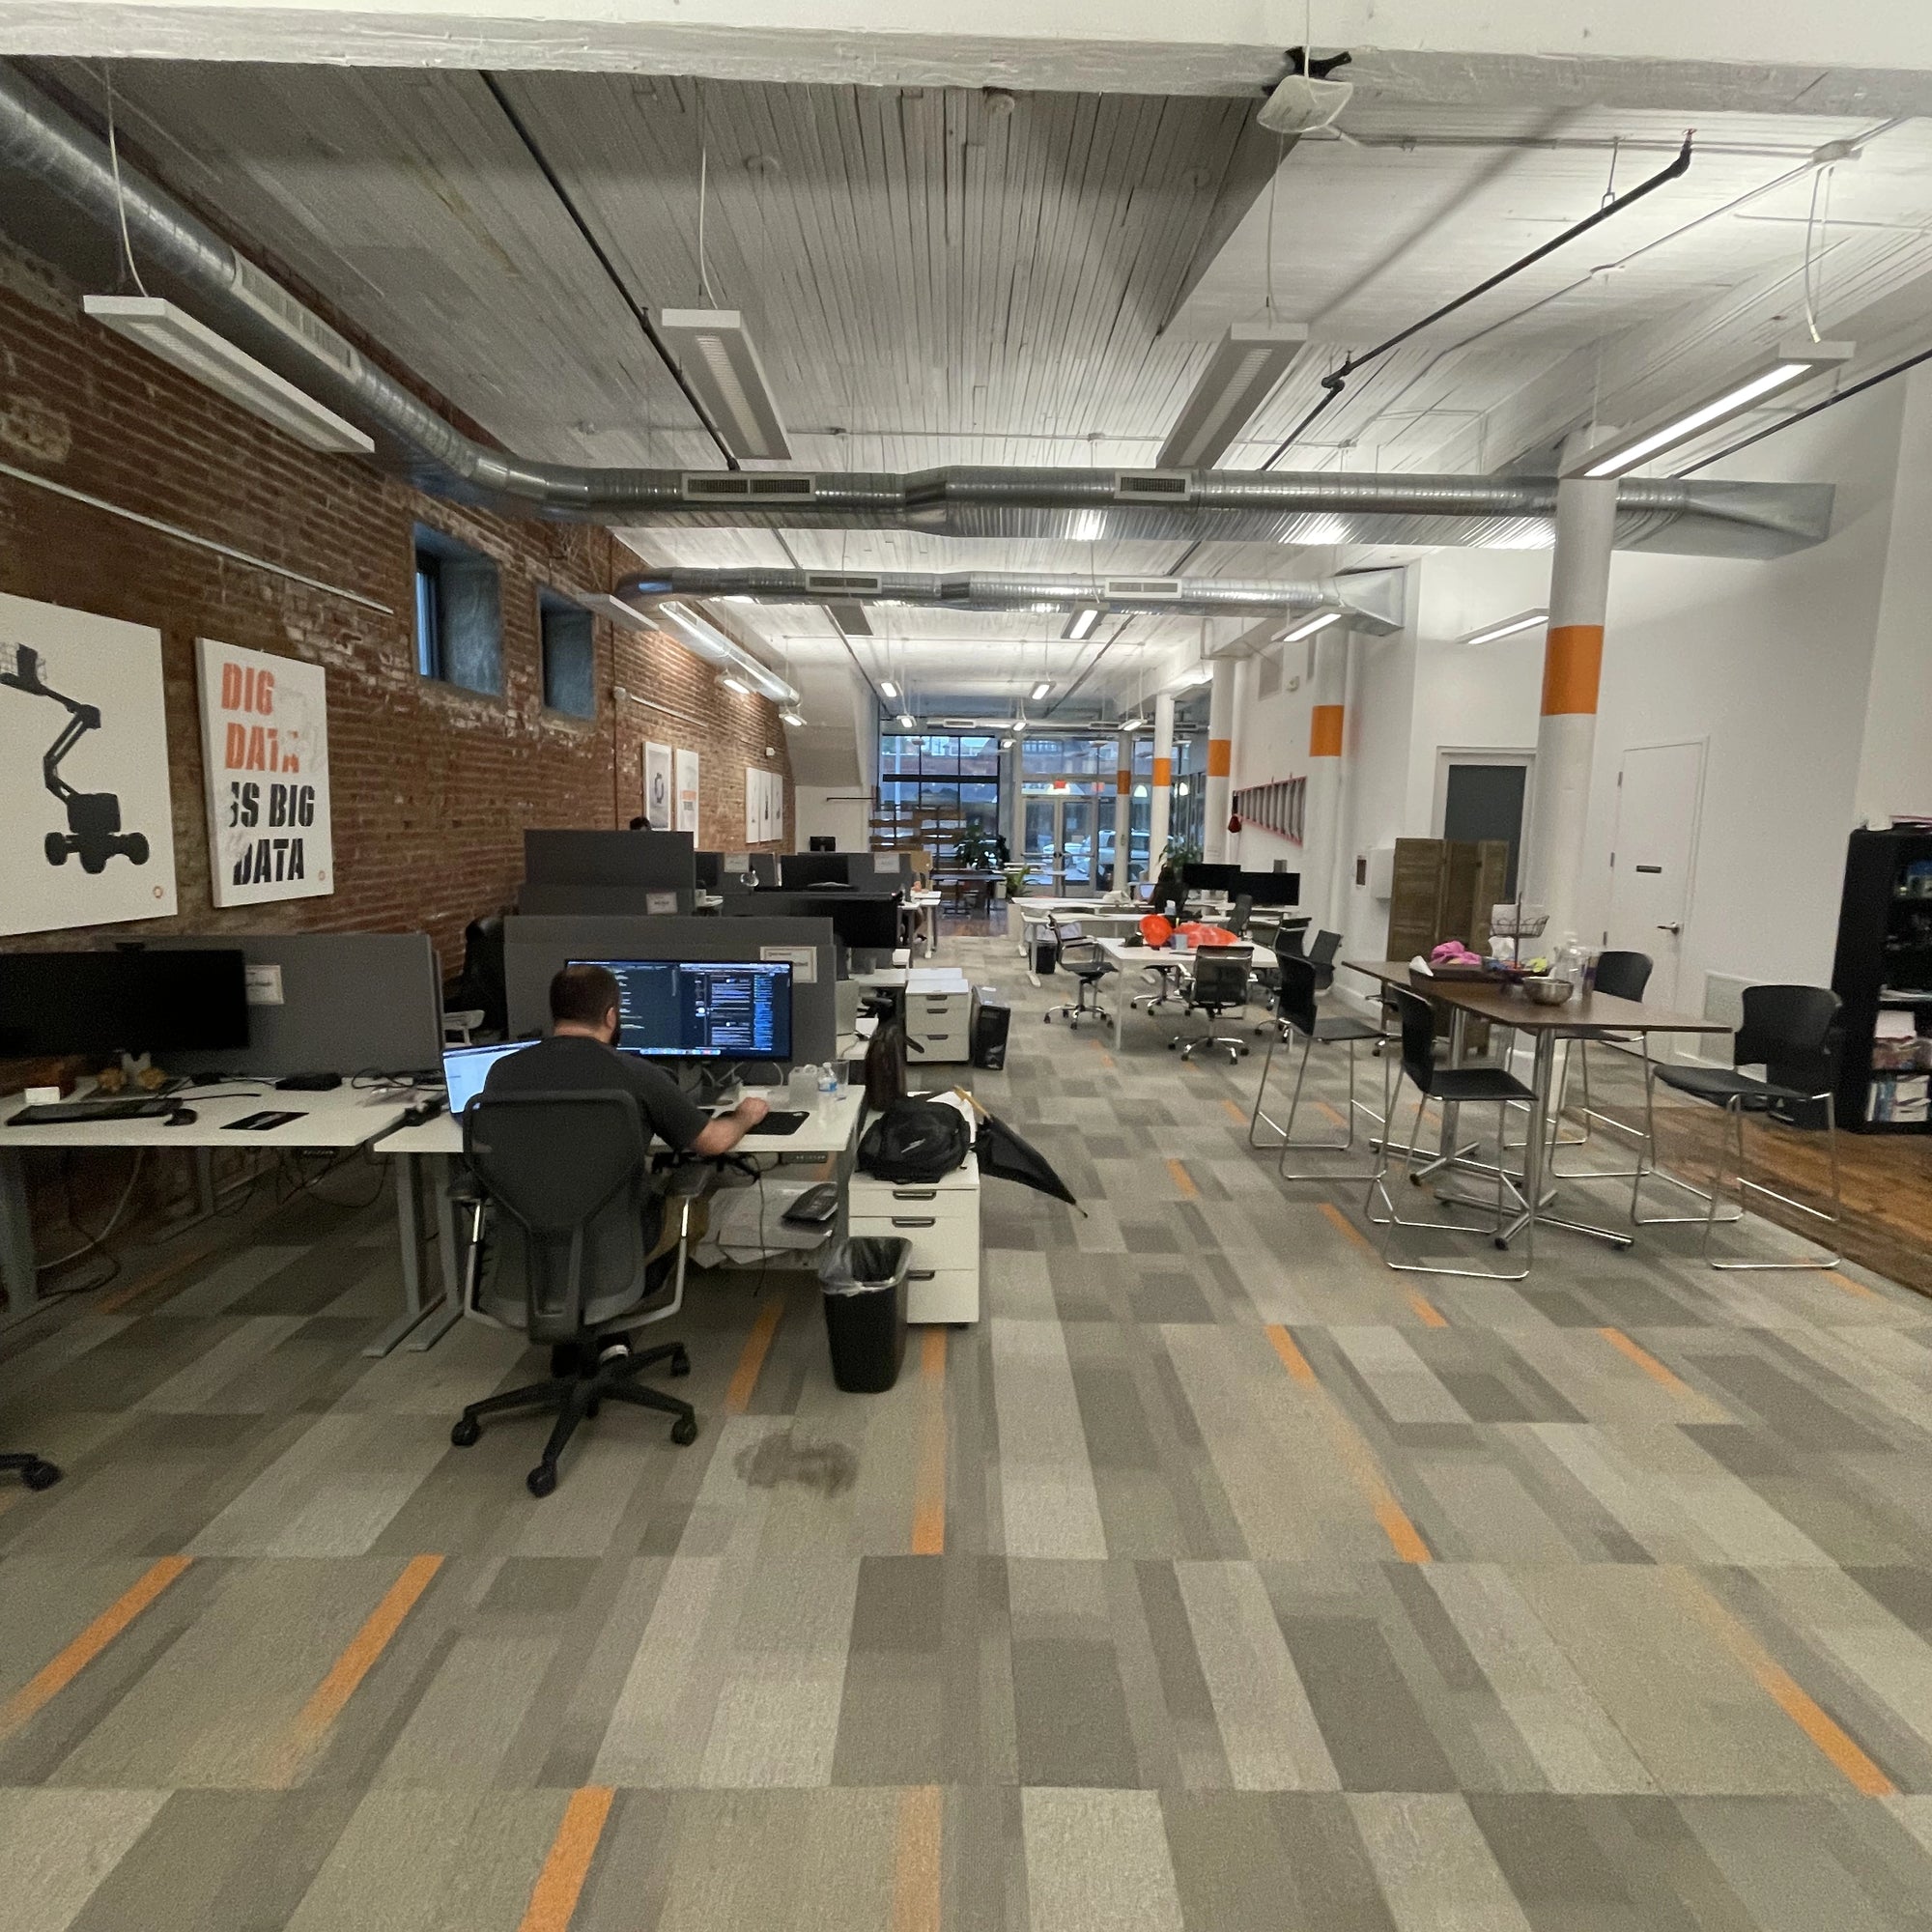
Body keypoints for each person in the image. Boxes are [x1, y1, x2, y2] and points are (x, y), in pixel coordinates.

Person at [485, 962, 770, 1158]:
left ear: (555, 1013)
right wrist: (745, 1116)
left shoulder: (502, 1072)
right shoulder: (638, 1074)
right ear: (610, 1016)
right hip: (615, 1235)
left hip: (523, 1230)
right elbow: (713, 1142)